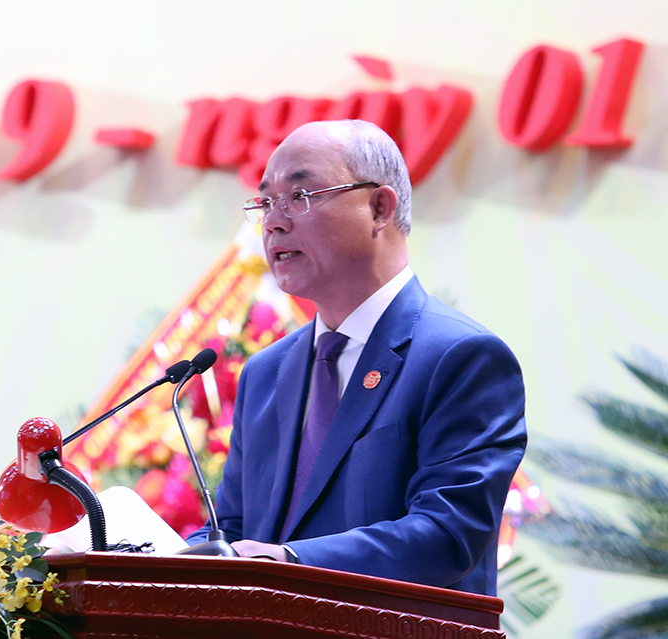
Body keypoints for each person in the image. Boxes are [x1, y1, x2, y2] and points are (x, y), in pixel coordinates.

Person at [185, 119, 527, 596]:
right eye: (266, 202)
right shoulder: (266, 372)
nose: (274, 222)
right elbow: (233, 527)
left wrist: (291, 562)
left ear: (379, 208)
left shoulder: (459, 357)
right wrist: (166, 559)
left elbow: (449, 533)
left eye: (299, 196)